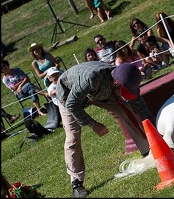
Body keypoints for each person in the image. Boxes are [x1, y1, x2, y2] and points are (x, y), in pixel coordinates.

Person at [56, 62, 155, 198]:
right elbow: (72, 104)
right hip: (68, 96)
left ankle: (148, 151)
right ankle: (77, 183)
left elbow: (140, 107)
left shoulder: (129, 79)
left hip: (100, 92)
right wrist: (93, 124)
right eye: (123, 91)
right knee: (72, 137)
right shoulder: (93, 77)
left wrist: (157, 132)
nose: (126, 94)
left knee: (127, 110)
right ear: (116, 83)